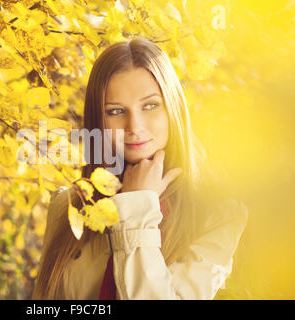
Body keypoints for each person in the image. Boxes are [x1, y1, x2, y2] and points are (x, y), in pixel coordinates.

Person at [32, 37, 248, 300]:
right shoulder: (68, 207)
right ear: (98, 120)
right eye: (115, 111)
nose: (134, 126)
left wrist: (137, 206)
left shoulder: (218, 212)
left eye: (150, 106)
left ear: (173, 107)